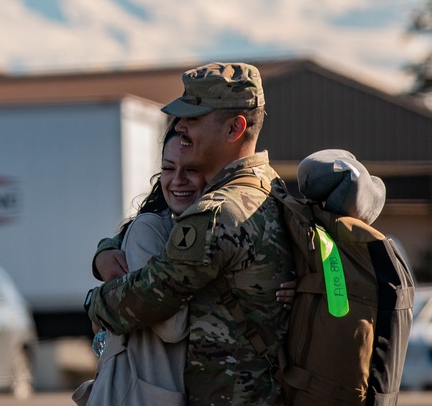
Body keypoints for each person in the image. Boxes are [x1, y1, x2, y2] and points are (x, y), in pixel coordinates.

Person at [84, 62, 295, 406]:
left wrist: (95, 301)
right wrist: (108, 248)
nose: (181, 126)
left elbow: (149, 294)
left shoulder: (217, 213)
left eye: (194, 118)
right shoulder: (272, 190)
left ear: (234, 128)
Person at [73, 122, 206, 406]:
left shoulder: (198, 228)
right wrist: (99, 301)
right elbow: (172, 327)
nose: (178, 179)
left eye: (191, 169)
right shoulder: (151, 229)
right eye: (168, 168)